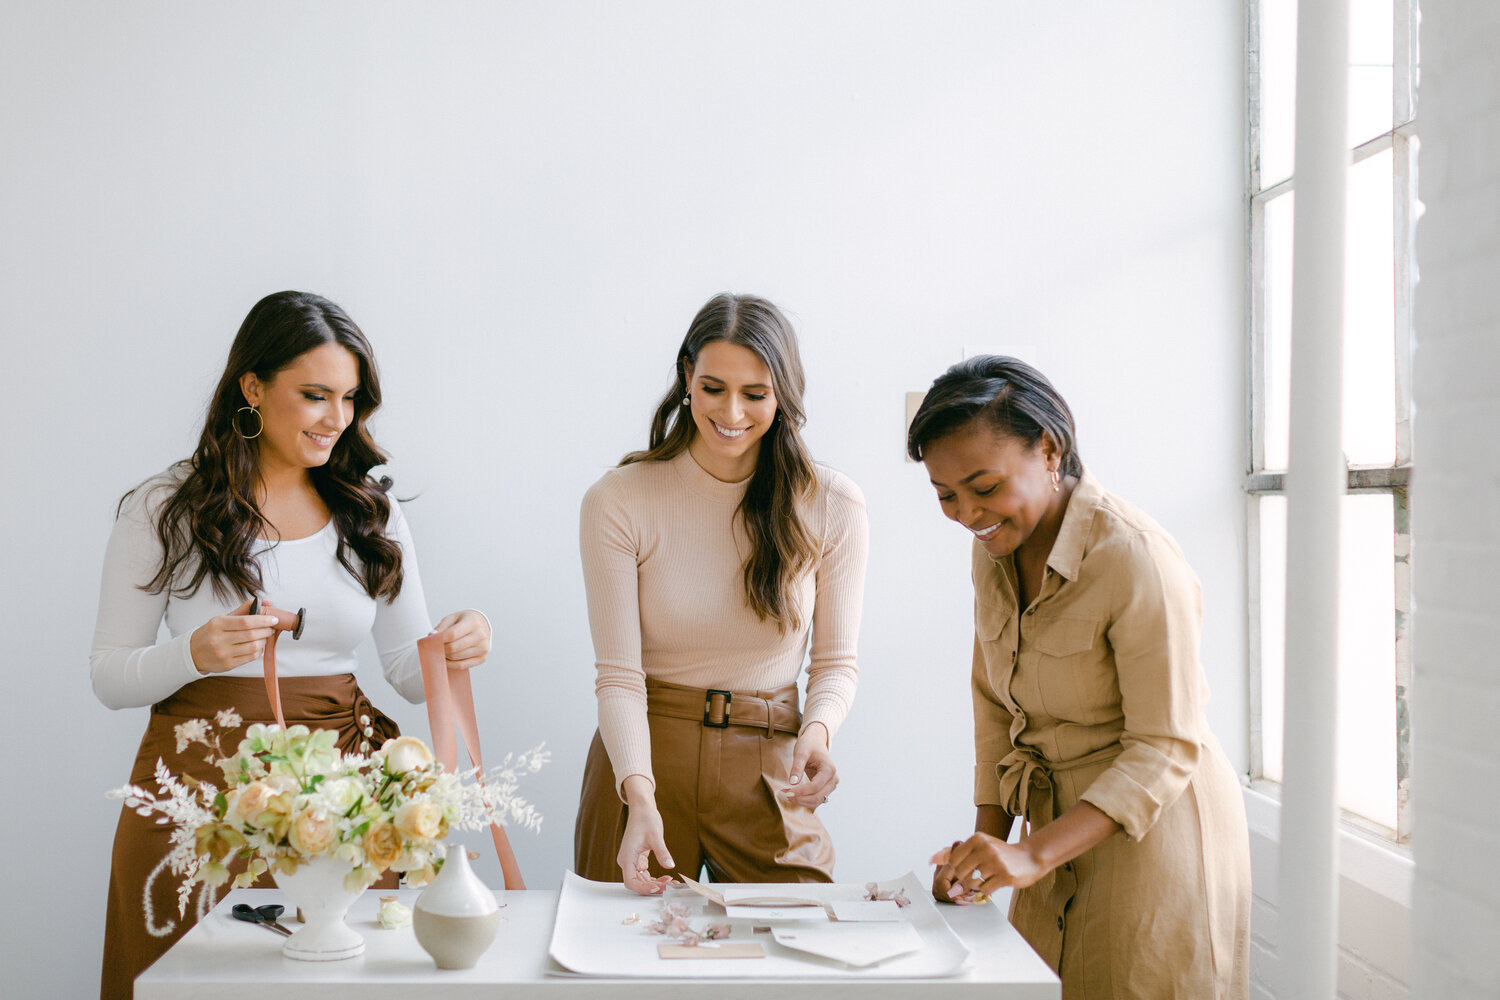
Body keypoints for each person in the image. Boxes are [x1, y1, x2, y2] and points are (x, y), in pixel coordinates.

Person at [91, 291, 492, 999]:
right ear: (253, 387)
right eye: (315, 395)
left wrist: (459, 641)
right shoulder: (164, 507)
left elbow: (407, 672)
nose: (337, 419)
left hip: (342, 803)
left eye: (349, 398)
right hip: (196, 789)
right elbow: (108, 677)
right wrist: (194, 655)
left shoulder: (370, 512)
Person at [909, 356, 1250, 998]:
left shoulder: (1135, 556)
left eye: (985, 487)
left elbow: (1165, 745)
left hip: (1153, 838)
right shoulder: (993, 554)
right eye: (946, 495)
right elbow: (994, 711)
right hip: (1048, 840)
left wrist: (1031, 854)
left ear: (1049, 449)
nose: (968, 514)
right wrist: (981, 853)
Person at [573, 293, 868, 894]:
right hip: (645, 760)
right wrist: (638, 793)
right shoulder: (619, 499)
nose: (732, 412)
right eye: (713, 388)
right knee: (621, 942)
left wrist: (818, 731)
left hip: (769, 758)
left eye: (755, 394)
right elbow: (619, 676)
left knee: (799, 936)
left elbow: (836, 664)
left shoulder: (832, 503)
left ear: (783, 394)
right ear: (687, 377)